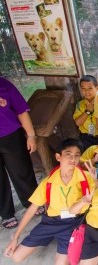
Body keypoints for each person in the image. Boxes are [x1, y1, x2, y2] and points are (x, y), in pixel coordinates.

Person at [3, 138, 96, 264]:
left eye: (77, 155)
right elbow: (32, 209)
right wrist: (15, 237)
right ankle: (49, 236)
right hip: (50, 222)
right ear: (58, 157)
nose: (73, 160)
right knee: (16, 257)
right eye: (68, 155)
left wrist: (96, 182)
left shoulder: (87, 178)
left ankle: (58, 239)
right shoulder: (48, 182)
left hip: (73, 223)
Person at [0, 77, 40, 229]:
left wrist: (31, 135)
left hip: (11, 136)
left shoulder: (4, 85)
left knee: (22, 171)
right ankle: (6, 213)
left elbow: (21, 111)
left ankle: (31, 202)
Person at [73, 75, 98, 151]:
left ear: (97, 88)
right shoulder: (80, 104)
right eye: (83, 89)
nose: (87, 91)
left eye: (90, 88)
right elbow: (78, 123)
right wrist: (87, 111)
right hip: (87, 137)